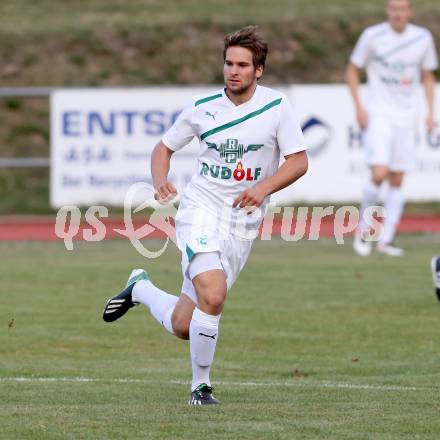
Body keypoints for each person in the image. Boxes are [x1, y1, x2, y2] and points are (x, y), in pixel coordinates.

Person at [102, 26, 308, 405]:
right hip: (199, 212)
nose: (233, 71)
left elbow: (299, 161)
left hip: (242, 224)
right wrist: (161, 181)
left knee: (185, 324)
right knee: (214, 295)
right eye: (229, 63)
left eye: (243, 65)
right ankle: (201, 387)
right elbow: (163, 148)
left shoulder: (277, 107)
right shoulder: (202, 109)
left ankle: (140, 289)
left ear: (258, 70)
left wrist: (263, 188)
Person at [346, 0, 438, 256]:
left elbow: (428, 75)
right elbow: (352, 70)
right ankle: (364, 230)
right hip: (379, 115)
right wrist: (359, 107)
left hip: (407, 118)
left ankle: (386, 239)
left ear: (410, 11)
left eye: (402, 8)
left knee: (398, 178)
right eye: (393, 8)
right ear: (388, 11)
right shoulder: (372, 36)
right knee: (379, 173)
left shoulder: (422, 37)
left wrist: (431, 112)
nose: (397, 13)